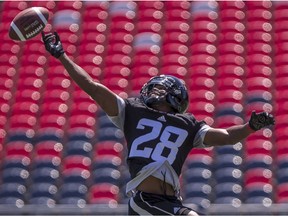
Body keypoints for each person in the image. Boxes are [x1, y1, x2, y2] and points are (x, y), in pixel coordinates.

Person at [41, 32, 275, 216]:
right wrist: (62, 56)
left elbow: (225, 137)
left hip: (171, 201)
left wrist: (249, 127)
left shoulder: (187, 124)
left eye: (162, 88)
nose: (154, 90)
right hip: (145, 200)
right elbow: (92, 86)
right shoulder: (132, 111)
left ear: (177, 97)